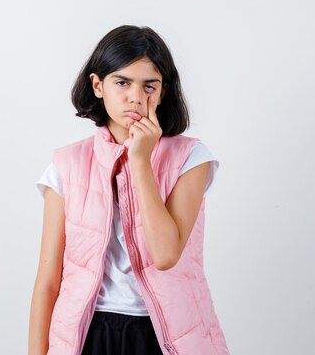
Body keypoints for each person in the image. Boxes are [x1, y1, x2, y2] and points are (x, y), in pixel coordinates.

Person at [28, 25, 230, 355]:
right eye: (122, 82)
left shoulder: (191, 158)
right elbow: (47, 282)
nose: (136, 97)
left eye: (149, 85)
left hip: (164, 335)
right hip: (88, 334)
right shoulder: (67, 165)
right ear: (98, 85)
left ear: (163, 92)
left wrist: (140, 160)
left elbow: (165, 255)